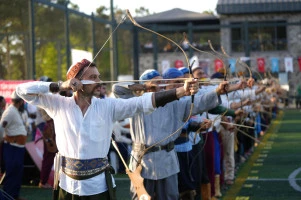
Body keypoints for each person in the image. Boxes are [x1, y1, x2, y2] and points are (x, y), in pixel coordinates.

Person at [16, 58, 198, 200]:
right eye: (93, 77)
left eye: (99, 77)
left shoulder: (107, 106)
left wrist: (180, 91)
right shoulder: (58, 104)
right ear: (76, 81)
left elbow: (141, 103)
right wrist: (59, 86)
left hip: (98, 186)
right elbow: (21, 90)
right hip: (67, 185)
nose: (99, 81)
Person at [113, 68, 228, 200]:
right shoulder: (136, 102)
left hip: (167, 158)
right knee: (140, 197)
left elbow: (199, 103)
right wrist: (144, 86)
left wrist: (218, 91)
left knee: (170, 197)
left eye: (161, 82)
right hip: (142, 160)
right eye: (156, 83)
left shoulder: (174, 102)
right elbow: (117, 89)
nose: (159, 86)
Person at [0, 91, 27, 200]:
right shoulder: (10, 112)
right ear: (20, 102)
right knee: (12, 173)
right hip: (12, 147)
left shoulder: (15, 111)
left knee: (17, 173)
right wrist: (3, 139)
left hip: (18, 148)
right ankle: (9, 197)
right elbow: (1, 127)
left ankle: (14, 196)